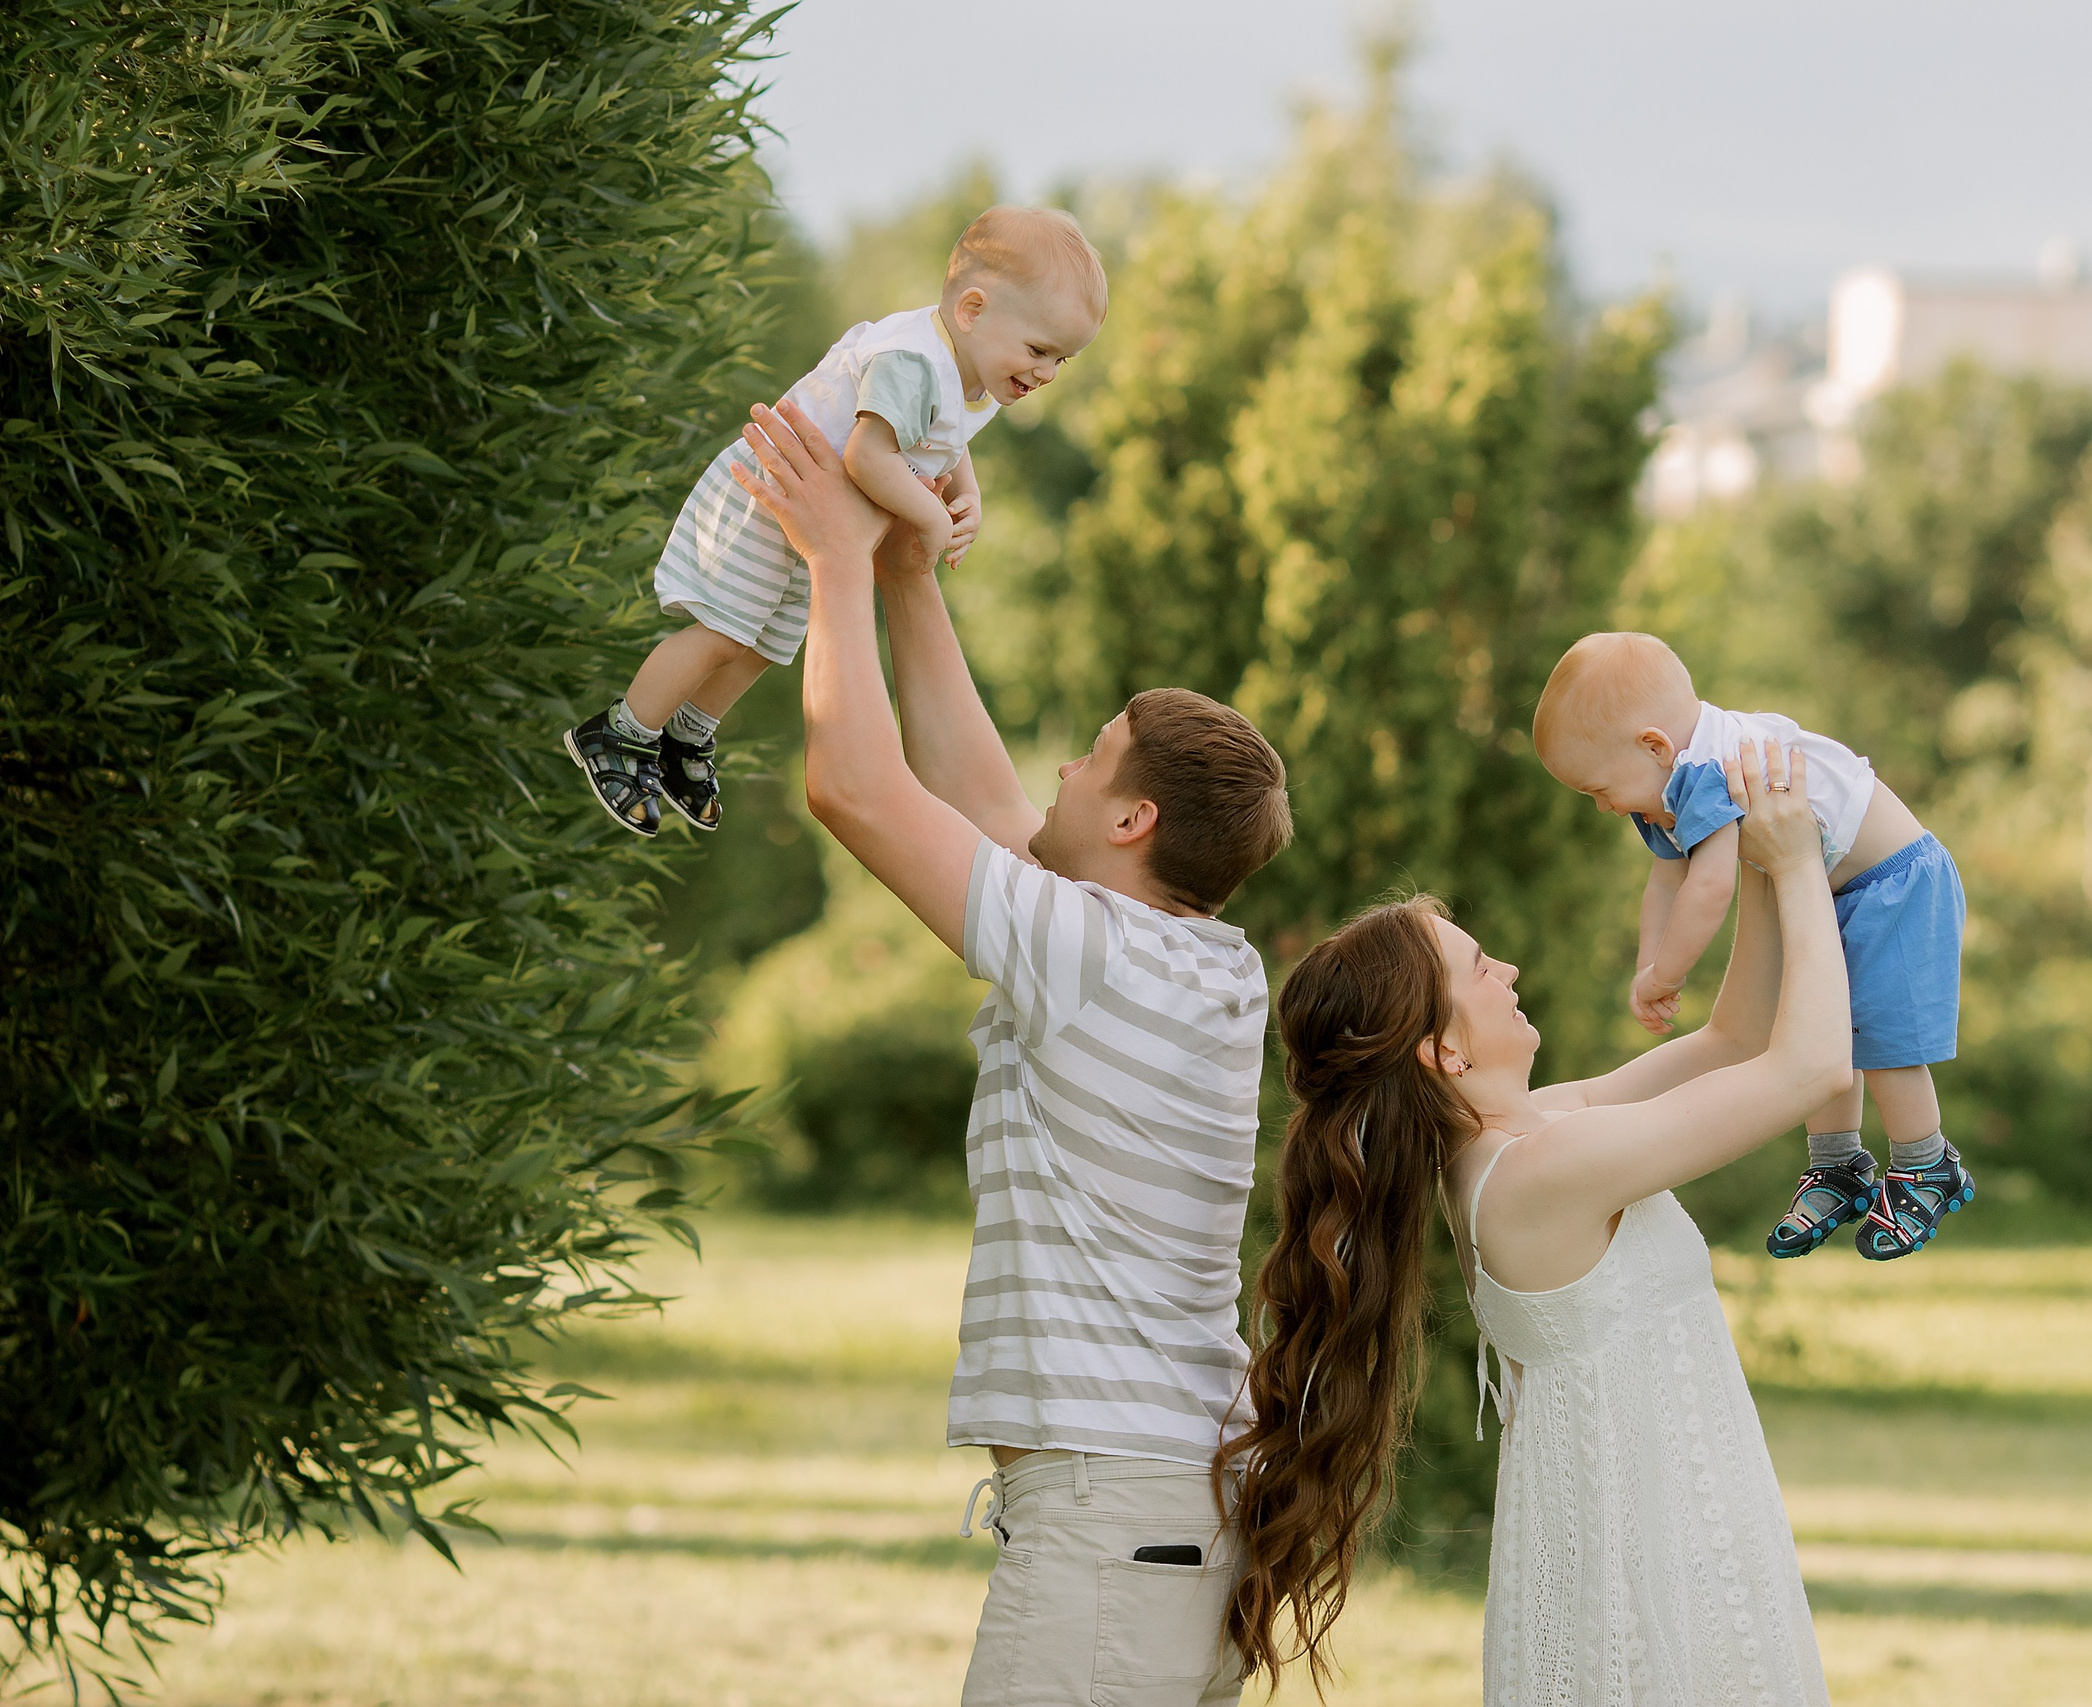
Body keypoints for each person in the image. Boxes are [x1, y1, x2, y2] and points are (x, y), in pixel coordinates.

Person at [727, 392, 1293, 1705]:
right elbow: (983, 802)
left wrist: (830, 562)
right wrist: (910, 574)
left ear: (1137, 816)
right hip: (1163, 1506)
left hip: (1115, 1517)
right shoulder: (1184, 950)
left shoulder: (1088, 951)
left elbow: (856, 789)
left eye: (1086, 764)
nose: (1057, 774)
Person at [1217, 740, 1849, 1703]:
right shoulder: (1541, 1172)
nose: (1506, 966)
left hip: (1674, 1537)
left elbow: (1738, 1038)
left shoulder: (1536, 1129)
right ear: (1442, 1051)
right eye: (1478, 968)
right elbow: (1806, 1069)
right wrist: (1804, 864)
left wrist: (1754, 853)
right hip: (1640, 1583)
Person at [562, 206, 1108, 838]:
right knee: (725, 634)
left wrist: (967, 495)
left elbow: (946, 440)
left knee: (767, 645)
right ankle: (621, 732)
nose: (1045, 373)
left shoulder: (968, 374)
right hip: (773, 494)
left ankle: (688, 734)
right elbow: (867, 455)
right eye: (1040, 350)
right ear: (974, 310)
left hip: (814, 519)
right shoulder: (913, 362)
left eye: (1061, 361)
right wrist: (930, 515)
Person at [1533, 630, 1974, 1262]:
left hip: (1892, 879)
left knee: (1880, 1039)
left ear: (1654, 745)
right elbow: (1668, 875)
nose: (1604, 806)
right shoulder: (1674, 777)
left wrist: (1670, 973)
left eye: (1598, 789)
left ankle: (1926, 1162)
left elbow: (1710, 887)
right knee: (1819, 1024)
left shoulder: (1712, 769)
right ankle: (1839, 1165)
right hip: (1832, 885)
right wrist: (1648, 965)